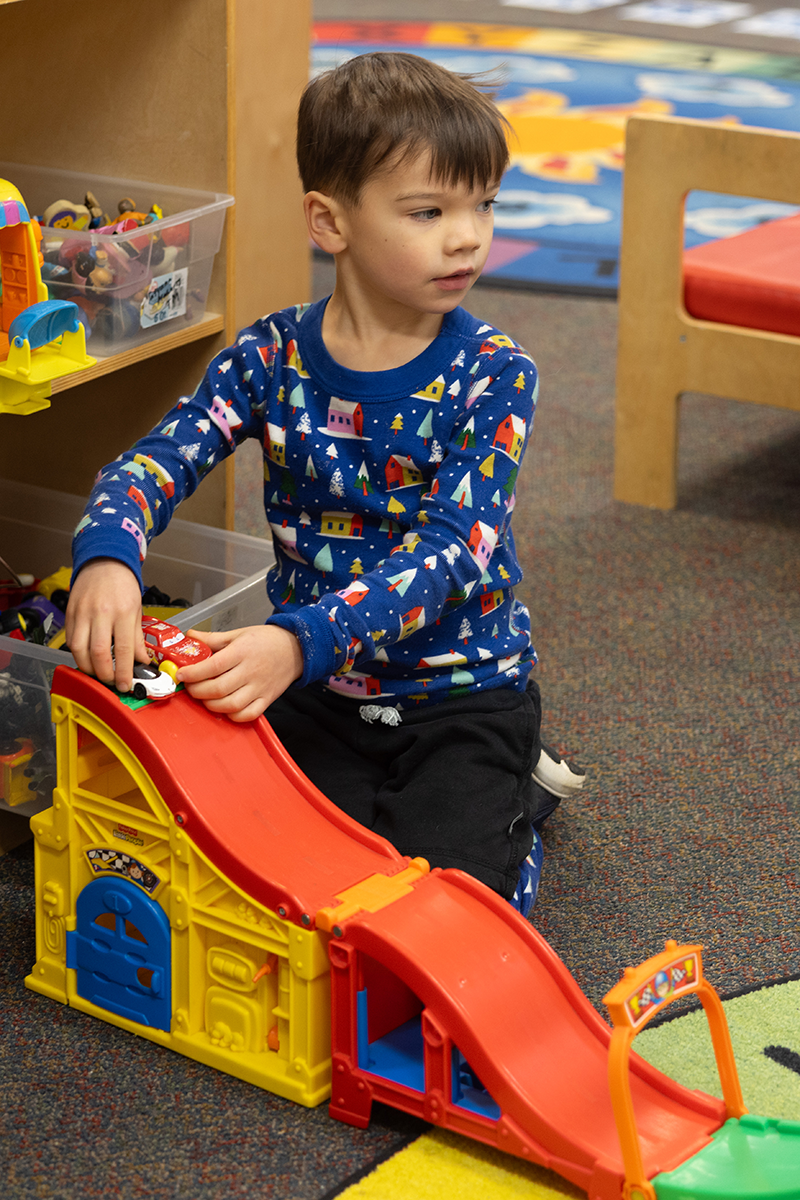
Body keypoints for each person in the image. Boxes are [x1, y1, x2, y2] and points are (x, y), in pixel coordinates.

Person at [65, 52, 584, 917]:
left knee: (450, 911)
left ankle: (517, 802)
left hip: (460, 697)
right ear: (329, 221)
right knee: (276, 885)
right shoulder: (270, 357)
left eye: (483, 205)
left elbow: (454, 552)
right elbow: (154, 460)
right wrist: (109, 554)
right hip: (318, 695)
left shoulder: (495, 374)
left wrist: (297, 640)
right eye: (429, 211)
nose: (469, 236)